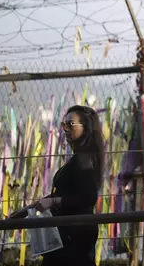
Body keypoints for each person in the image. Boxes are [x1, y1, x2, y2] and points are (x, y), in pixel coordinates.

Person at [33, 105, 104, 266]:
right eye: (63, 124)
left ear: (85, 128)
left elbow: (89, 197)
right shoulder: (81, 158)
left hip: (73, 235)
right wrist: (25, 211)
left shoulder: (84, 160)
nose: (65, 129)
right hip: (69, 233)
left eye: (70, 124)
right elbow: (62, 193)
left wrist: (53, 202)